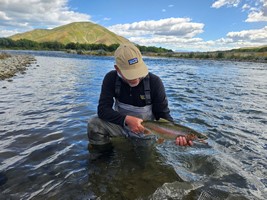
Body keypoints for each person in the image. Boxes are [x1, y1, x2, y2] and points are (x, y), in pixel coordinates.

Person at [87, 43, 193, 148]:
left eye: (137, 71)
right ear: (117, 69)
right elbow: (103, 110)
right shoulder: (111, 78)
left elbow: (163, 115)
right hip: (121, 126)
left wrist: (177, 135)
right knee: (94, 123)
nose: (136, 78)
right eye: (130, 74)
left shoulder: (155, 82)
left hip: (145, 133)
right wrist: (127, 120)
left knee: (146, 164)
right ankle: (102, 157)